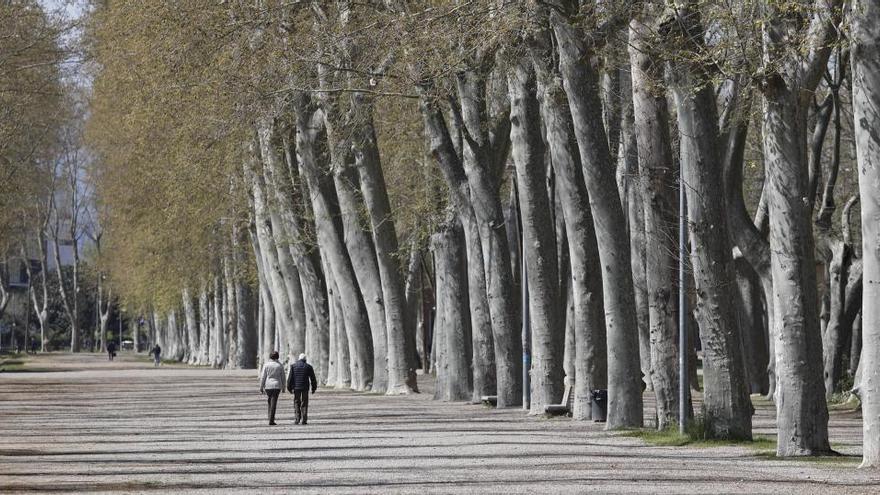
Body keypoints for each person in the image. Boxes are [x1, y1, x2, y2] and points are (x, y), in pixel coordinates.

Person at [287, 353, 318, 425]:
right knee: (304, 402)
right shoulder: (308, 367)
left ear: (299, 359)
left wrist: (289, 388)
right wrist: (314, 388)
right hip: (305, 387)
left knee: (297, 402)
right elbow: (313, 378)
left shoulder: (293, 366)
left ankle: (297, 418)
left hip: (296, 387)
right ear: (305, 359)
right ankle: (304, 419)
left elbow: (290, 378)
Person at [259, 351, 286, 425]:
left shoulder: (266, 365)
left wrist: (261, 387)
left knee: (269, 401)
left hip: (268, 386)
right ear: (277, 357)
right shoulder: (279, 365)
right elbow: (283, 377)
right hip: (277, 386)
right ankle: (271, 419)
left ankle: (269, 417)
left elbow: (263, 377)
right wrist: (284, 387)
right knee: (274, 402)